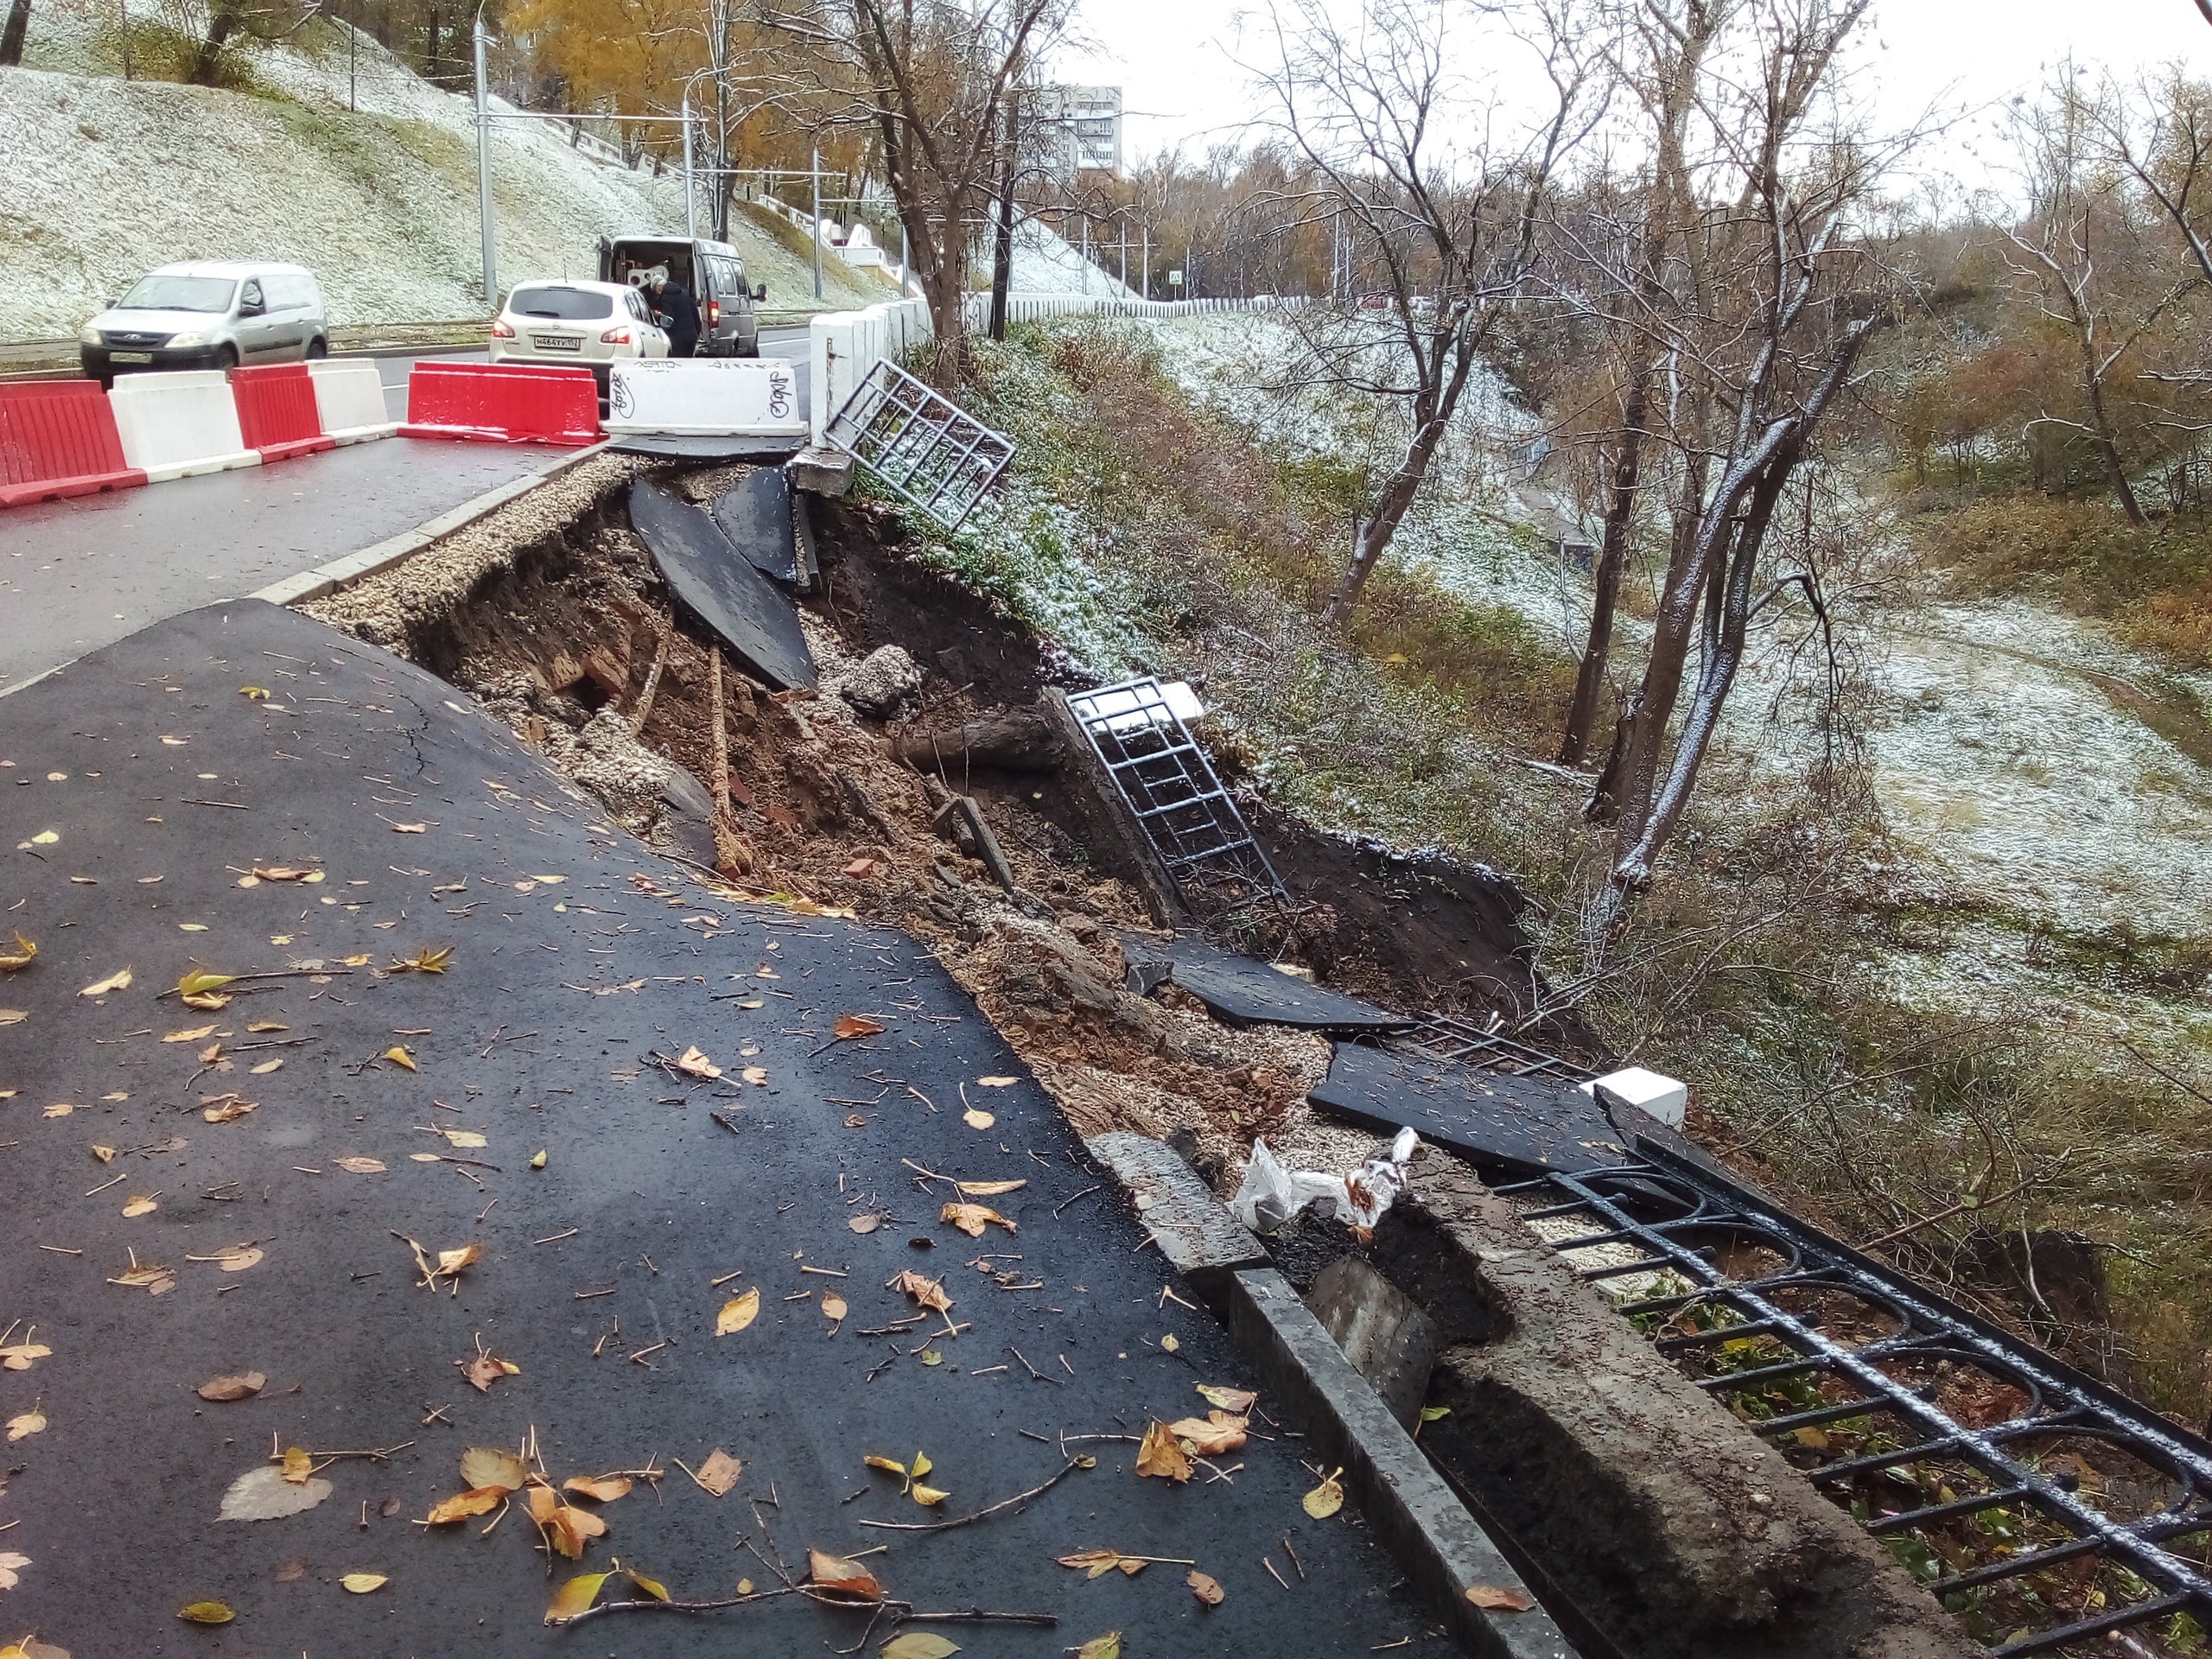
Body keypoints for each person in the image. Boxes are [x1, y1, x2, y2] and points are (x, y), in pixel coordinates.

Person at [645, 268, 700, 359]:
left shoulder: (666, 297)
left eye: (656, 290)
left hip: (678, 339)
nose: (657, 293)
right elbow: (695, 314)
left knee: (678, 365)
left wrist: (657, 317)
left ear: (659, 287)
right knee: (688, 363)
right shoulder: (684, 294)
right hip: (691, 337)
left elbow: (668, 320)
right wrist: (698, 331)